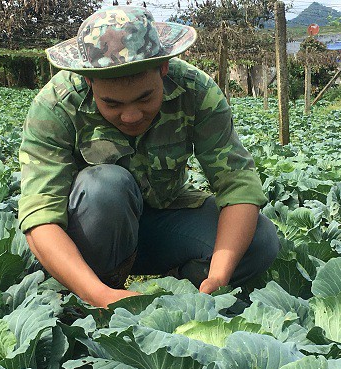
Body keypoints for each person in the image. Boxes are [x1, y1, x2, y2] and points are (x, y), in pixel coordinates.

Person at [18, 5, 279, 308]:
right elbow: (40, 216)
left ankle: (188, 286)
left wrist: (219, 276)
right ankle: (91, 291)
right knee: (104, 186)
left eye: (145, 98)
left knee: (259, 239)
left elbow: (237, 185)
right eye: (112, 104)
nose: (130, 116)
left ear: (164, 68)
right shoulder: (56, 106)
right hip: (92, 234)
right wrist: (99, 295)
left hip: (165, 223)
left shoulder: (195, 91)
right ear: (89, 81)